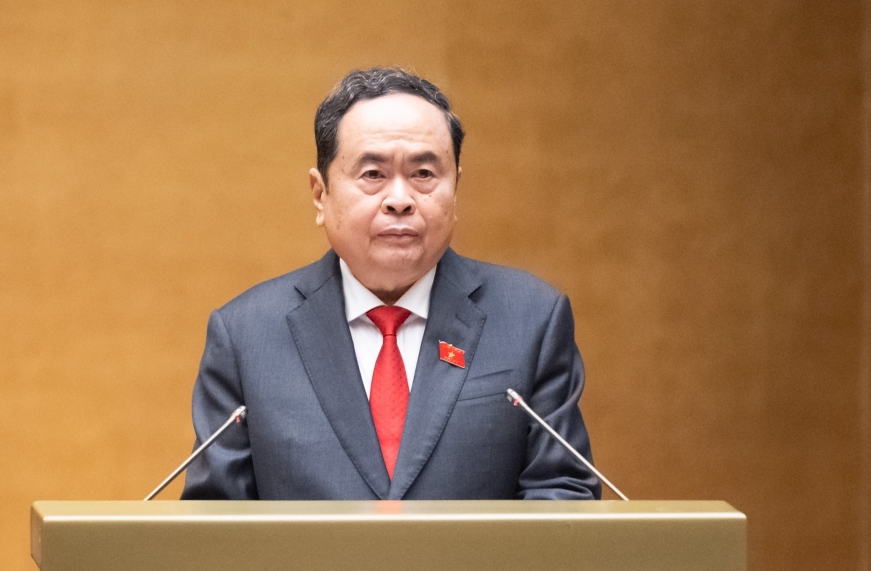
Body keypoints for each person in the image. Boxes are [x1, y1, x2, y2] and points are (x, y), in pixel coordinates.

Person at [181, 67, 599, 500]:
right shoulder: (247, 336)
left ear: (455, 189)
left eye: (423, 174)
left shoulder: (530, 319)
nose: (400, 200)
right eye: (373, 174)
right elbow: (216, 521)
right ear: (320, 194)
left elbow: (562, 493)